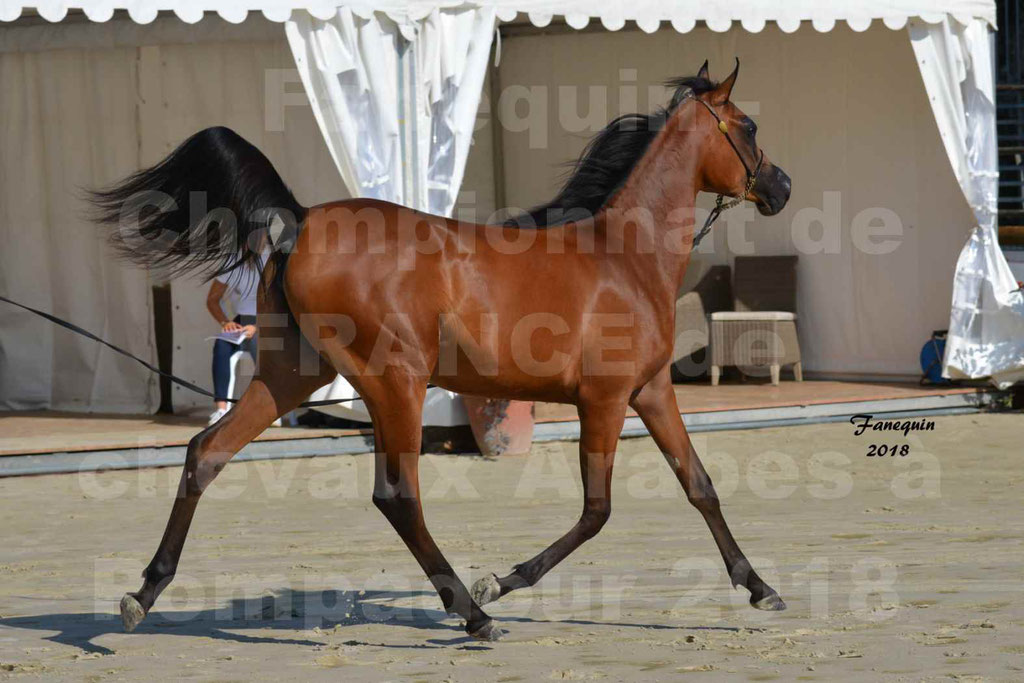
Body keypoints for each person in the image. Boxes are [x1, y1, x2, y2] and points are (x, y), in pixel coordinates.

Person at [206, 255, 279, 426]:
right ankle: (221, 409)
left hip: (268, 320)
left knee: (257, 346)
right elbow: (212, 300)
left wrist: (258, 326)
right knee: (221, 346)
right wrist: (226, 323)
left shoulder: (273, 259)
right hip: (240, 321)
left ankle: (271, 407)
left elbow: (281, 301)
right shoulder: (233, 261)